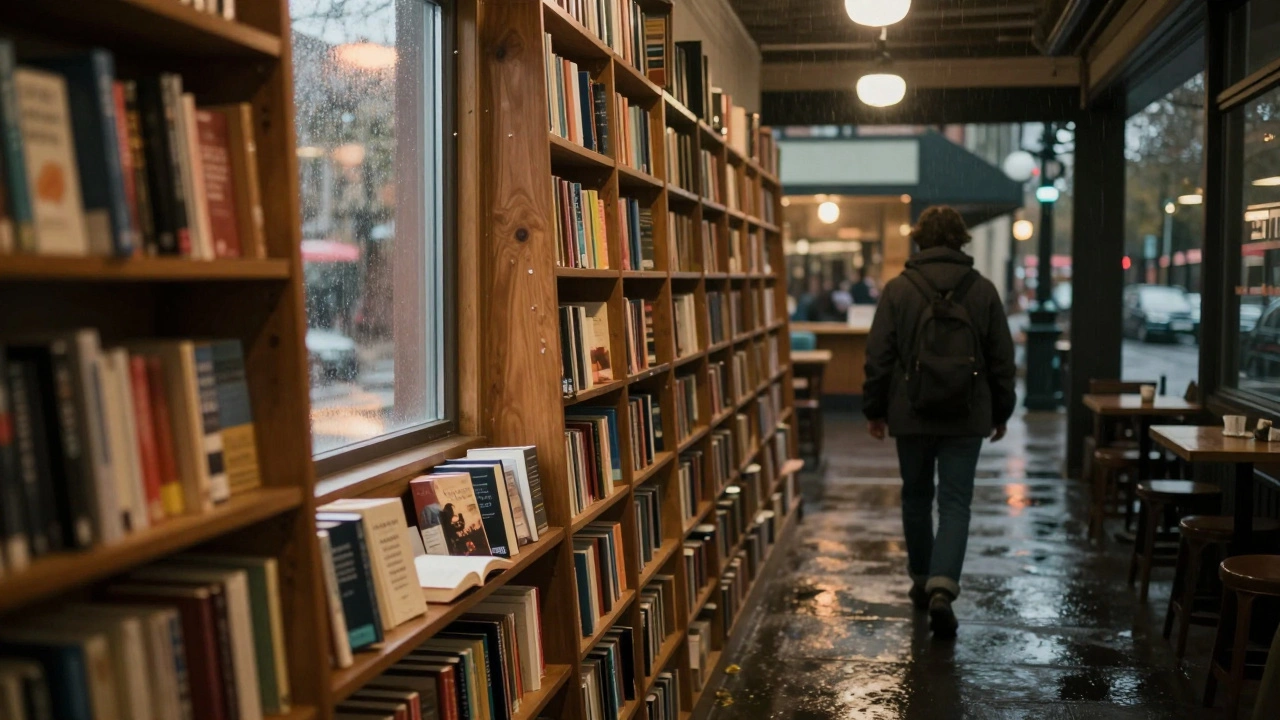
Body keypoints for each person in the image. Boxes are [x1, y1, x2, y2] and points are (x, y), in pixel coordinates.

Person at [861, 205, 1017, 638]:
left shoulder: (898, 289)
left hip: (911, 412)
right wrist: (1001, 411)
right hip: (967, 415)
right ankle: (943, 587)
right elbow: (1002, 359)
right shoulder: (982, 290)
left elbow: (878, 356)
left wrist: (874, 409)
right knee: (954, 503)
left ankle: (920, 578)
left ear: (920, 239)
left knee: (914, 497)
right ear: (961, 242)